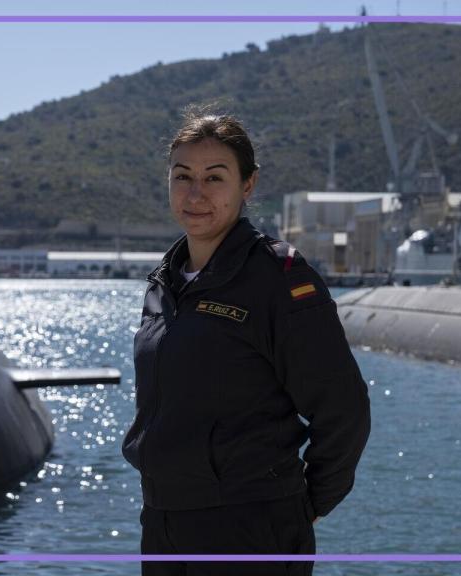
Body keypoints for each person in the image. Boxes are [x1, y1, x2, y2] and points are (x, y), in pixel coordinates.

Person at [122, 106, 371, 576]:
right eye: (182, 176)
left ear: (247, 185)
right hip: (164, 522)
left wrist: (308, 505)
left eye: (215, 178)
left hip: (250, 527)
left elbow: (344, 408)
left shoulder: (279, 279)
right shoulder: (165, 281)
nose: (195, 193)